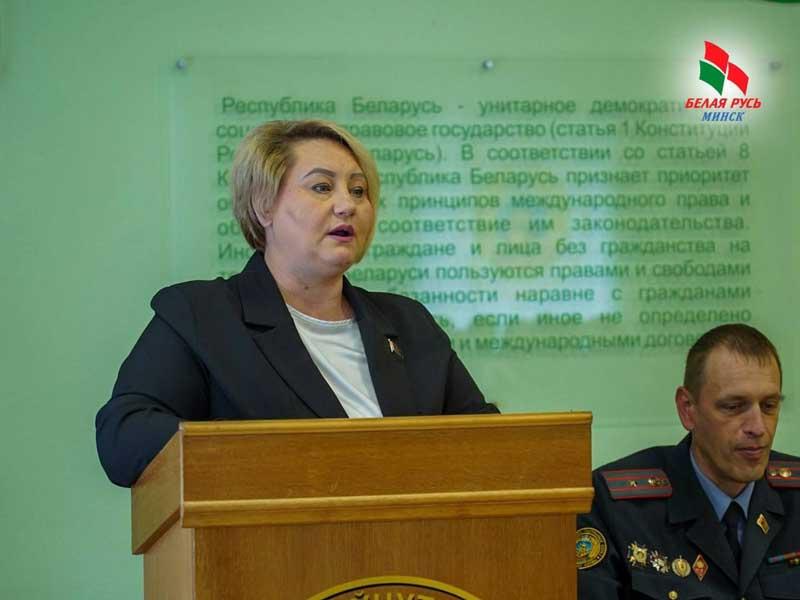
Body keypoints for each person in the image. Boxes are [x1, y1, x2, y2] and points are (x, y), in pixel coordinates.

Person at [96, 119, 497, 487]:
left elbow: (491, 445)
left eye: (358, 191)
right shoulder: (203, 315)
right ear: (264, 206)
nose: (347, 205)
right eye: (322, 187)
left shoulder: (408, 323)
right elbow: (125, 435)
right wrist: (273, 463)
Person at [577, 324, 800, 599]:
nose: (758, 427)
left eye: (769, 406)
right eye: (733, 407)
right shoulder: (617, 509)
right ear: (687, 409)